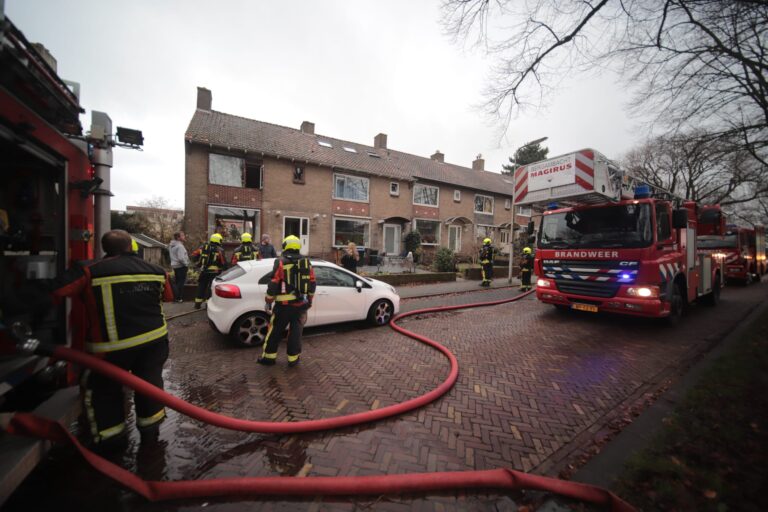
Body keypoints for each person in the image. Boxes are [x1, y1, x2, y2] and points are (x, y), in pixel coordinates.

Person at [52, 229, 173, 450]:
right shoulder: (157, 270)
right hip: (154, 343)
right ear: (131, 246)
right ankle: (150, 435)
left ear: (104, 248)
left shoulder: (89, 270)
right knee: (151, 386)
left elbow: (57, 292)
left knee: (104, 392)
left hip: (110, 349)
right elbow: (168, 297)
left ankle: (112, 441)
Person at [258, 235, 316, 368]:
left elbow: (274, 283)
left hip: (283, 307)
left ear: (285, 246)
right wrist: (310, 300)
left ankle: (269, 358)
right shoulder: (306, 262)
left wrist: (268, 301)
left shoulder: (280, 261)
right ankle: (293, 359)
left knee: (275, 331)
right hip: (301, 305)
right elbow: (312, 282)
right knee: (295, 333)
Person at [191, 233, 227, 309]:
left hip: (204, 271)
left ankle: (197, 304)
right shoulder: (220, 250)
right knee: (211, 288)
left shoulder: (203, 247)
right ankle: (208, 305)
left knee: (201, 286)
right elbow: (223, 262)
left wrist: (198, 264)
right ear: (218, 240)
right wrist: (224, 269)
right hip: (215, 272)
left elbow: (194, 256)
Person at [169, 231, 190, 303]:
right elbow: (181, 258)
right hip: (181, 266)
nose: (184, 237)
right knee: (180, 283)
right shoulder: (180, 246)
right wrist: (186, 264)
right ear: (178, 238)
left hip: (175, 265)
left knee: (177, 282)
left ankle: (176, 298)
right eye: (183, 235)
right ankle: (178, 298)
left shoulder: (172, 245)